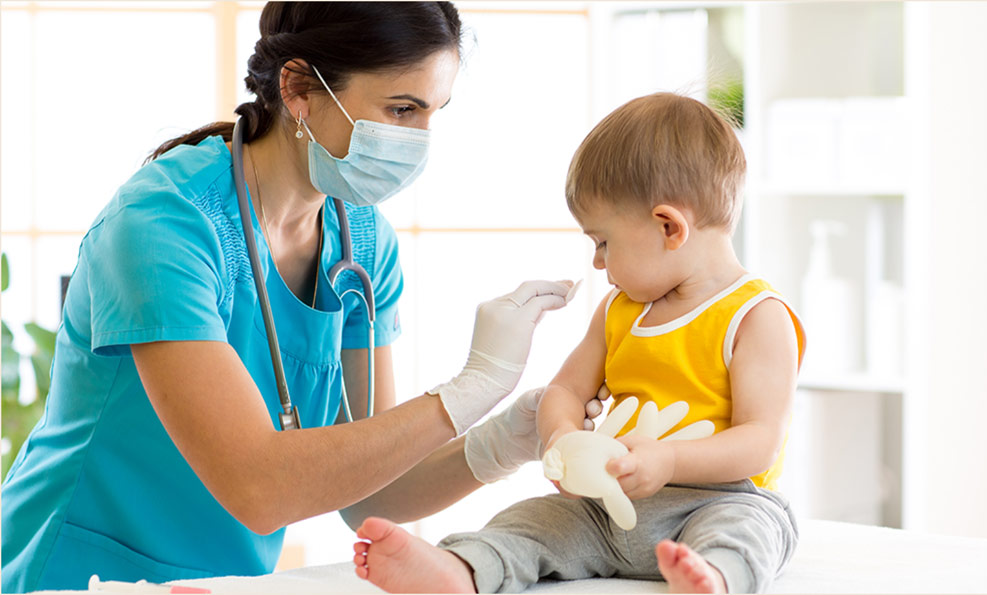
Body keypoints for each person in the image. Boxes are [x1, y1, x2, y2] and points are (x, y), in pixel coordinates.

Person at [0, 3, 602, 592]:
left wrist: (505, 439)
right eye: (400, 109)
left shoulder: (362, 243)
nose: (419, 141)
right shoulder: (163, 225)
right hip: (78, 574)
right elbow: (259, 487)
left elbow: (373, 490)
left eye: (432, 114)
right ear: (298, 89)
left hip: (226, 581)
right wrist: (468, 390)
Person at [352, 92, 807, 594]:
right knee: (529, 522)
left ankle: (713, 577)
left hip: (716, 499)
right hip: (604, 508)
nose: (597, 263)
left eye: (603, 243)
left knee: (751, 531)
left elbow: (760, 441)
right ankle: (463, 568)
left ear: (668, 226)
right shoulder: (619, 310)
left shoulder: (756, 316)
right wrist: (563, 439)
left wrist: (670, 461)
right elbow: (564, 391)